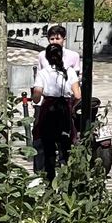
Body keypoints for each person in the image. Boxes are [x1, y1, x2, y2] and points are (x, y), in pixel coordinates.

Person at [31, 36, 78, 179]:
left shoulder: (43, 73)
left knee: (48, 146)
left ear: (47, 57)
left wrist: (37, 97)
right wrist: (71, 105)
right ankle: (68, 176)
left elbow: (37, 96)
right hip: (64, 109)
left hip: (48, 111)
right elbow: (78, 94)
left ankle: (49, 178)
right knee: (66, 144)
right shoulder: (69, 72)